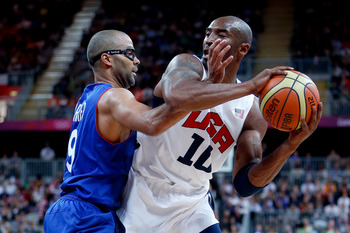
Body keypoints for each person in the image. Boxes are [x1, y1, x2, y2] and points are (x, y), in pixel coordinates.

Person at [118, 16, 322, 233]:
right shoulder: (187, 64)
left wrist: (290, 146)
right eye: (207, 33)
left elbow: (244, 184)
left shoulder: (252, 111)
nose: (208, 40)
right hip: (144, 188)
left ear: (242, 49)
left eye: (221, 35)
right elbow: (177, 97)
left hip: (192, 203)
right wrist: (247, 86)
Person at [43, 29, 193, 232]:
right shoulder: (115, 96)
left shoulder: (87, 98)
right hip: (86, 216)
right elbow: (153, 122)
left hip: (68, 212)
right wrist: (197, 95)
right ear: (107, 59)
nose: (137, 60)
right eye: (130, 54)